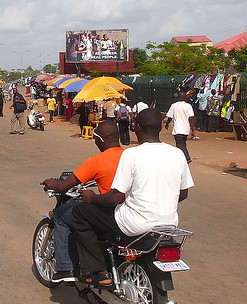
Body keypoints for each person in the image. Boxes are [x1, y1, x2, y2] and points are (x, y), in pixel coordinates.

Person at [71, 108, 194, 288]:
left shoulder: (131, 154)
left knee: (80, 212)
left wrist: (92, 198)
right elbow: (183, 194)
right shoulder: (177, 154)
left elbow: (114, 198)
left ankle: (99, 271)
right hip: (168, 223)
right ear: (160, 128)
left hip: (134, 224)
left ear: (136, 127)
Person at [42, 120, 124, 282]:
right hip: (128, 211)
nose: (94, 141)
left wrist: (53, 184)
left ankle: (67, 267)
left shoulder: (97, 161)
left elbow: (63, 187)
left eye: (95, 138)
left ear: (102, 140)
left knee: (62, 213)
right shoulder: (130, 156)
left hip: (109, 212)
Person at [165, 92, 196, 164]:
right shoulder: (188, 106)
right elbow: (191, 118)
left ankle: (186, 157)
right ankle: (183, 158)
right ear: (185, 97)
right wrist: (192, 129)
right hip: (186, 129)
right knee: (183, 143)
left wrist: (167, 124)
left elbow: (169, 117)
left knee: (179, 145)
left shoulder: (174, 105)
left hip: (178, 129)